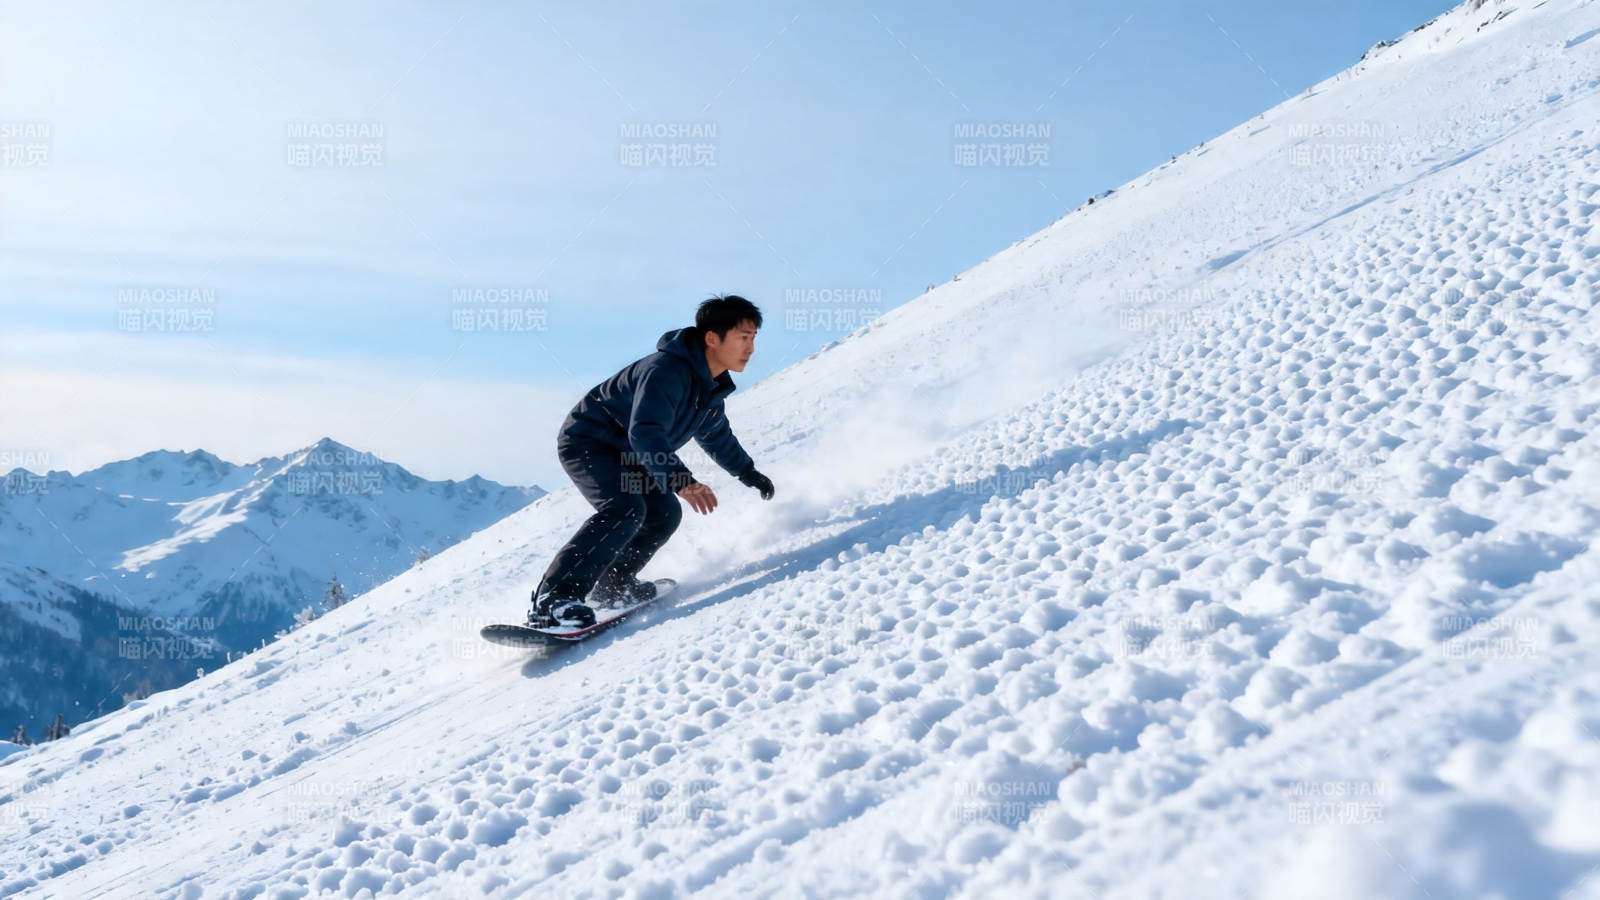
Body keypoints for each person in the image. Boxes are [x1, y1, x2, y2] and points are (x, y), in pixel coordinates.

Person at [529, 295, 776, 627]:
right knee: (624, 508)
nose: (751, 348)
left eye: (754, 338)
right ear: (712, 338)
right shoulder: (666, 372)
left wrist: (748, 473)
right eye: (743, 338)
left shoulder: (709, 390)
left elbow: (716, 436)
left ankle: (613, 586)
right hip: (591, 441)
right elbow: (645, 432)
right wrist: (682, 481)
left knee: (663, 513)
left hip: (632, 454)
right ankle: (552, 600)